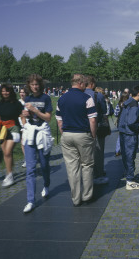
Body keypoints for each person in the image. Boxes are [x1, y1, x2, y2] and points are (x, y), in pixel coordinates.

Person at [56, 74, 97, 206]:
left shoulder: (61, 98)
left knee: (72, 168)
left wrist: (64, 133)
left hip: (67, 134)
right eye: (84, 83)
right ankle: (87, 195)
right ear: (79, 83)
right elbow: (92, 119)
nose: (85, 86)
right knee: (87, 165)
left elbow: (59, 120)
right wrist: (93, 135)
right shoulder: (87, 98)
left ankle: (75, 198)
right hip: (83, 134)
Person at [22, 74, 54, 213]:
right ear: (29, 85)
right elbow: (23, 116)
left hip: (42, 133)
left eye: (37, 84)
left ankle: (46, 184)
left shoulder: (45, 98)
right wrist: (25, 116)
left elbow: (48, 118)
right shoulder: (27, 98)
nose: (35, 86)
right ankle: (30, 200)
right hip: (30, 134)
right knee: (30, 169)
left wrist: (35, 111)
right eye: (32, 84)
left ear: (40, 85)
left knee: (44, 164)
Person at [0, 84, 22, 187]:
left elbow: (22, 116)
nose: (5, 93)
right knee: (6, 153)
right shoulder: (0, 104)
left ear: (11, 92)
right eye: (3, 91)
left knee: (8, 152)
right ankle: (10, 173)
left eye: (7, 91)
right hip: (3, 130)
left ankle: (9, 176)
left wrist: (25, 127)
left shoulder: (16, 103)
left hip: (14, 128)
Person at [117, 85, 139, 190]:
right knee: (130, 156)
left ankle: (129, 177)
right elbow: (131, 122)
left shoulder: (127, 102)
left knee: (126, 156)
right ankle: (130, 181)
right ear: (138, 94)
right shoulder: (134, 104)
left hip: (123, 133)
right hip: (130, 134)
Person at [84, 77, 109, 185]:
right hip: (97, 126)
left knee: (85, 152)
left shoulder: (81, 94)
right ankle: (98, 173)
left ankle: (88, 175)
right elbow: (104, 111)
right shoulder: (97, 95)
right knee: (98, 151)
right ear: (92, 84)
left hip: (82, 128)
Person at [114, 92, 130, 157]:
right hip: (128, 122)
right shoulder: (129, 104)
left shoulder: (119, 104)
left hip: (120, 122)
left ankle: (117, 150)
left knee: (120, 137)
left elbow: (116, 114)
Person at [19, 87, 29, 168]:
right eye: (20, 92)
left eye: (23, 92)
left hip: (29, 125)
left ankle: (29, 158)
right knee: (22, 143)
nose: (22, 94)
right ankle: (27, 159)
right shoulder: (17, 102)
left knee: (28, 142)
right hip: (20, 125)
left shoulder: (29, 102)